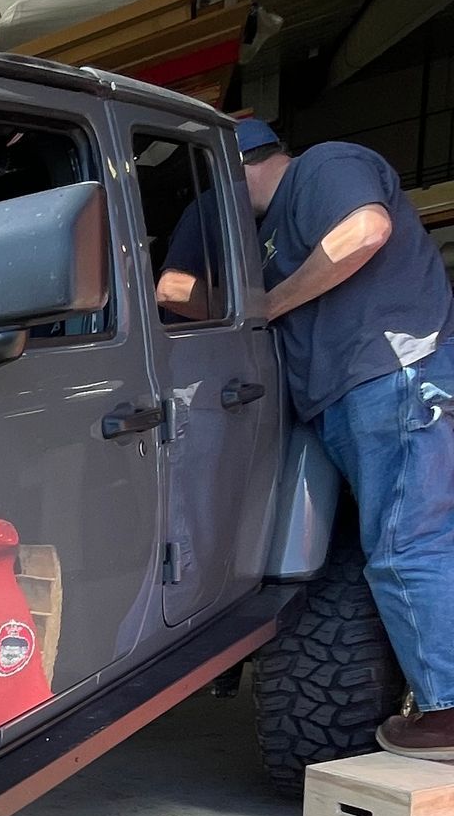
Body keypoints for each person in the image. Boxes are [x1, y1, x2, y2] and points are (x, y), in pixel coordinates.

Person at [162, 116, 454, 759]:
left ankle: (448, 709)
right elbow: (173, 288)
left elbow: (365, 230)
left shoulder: (325, 165)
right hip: (348, 397)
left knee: (410, 543)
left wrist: (269, 302)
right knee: (403, 541)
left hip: (395, 373)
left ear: (237, 166)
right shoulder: (264, 232)